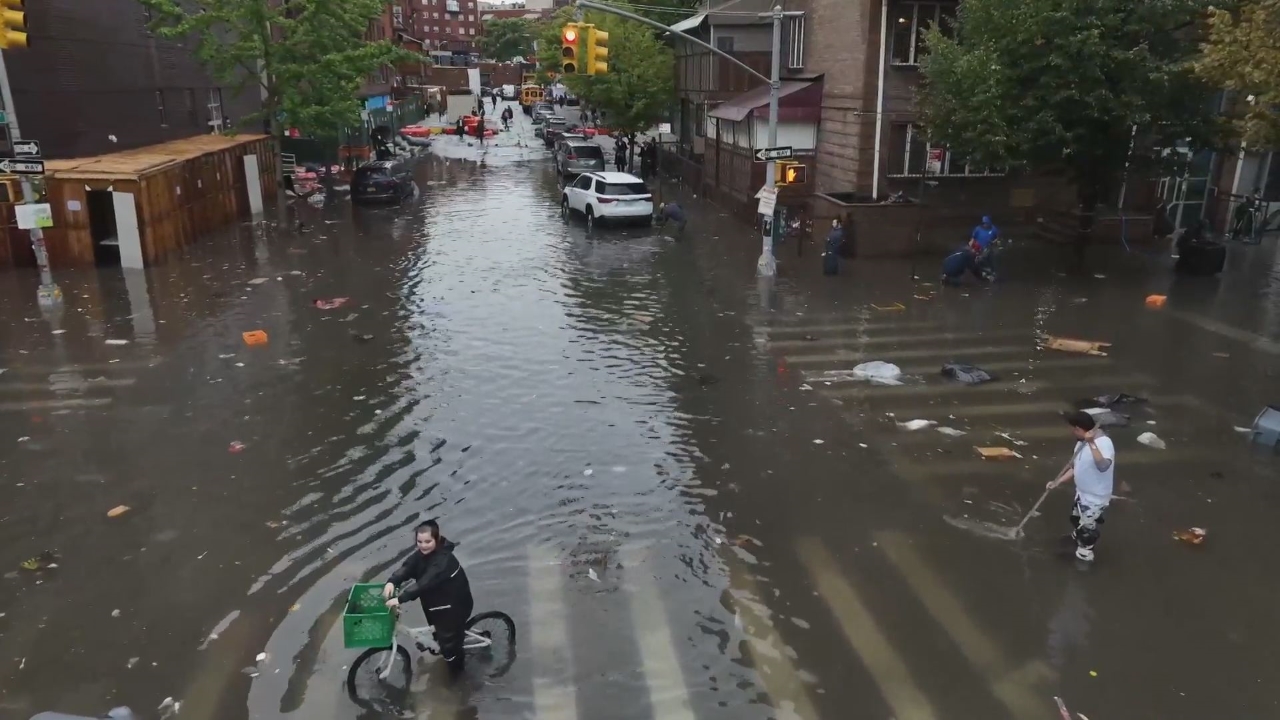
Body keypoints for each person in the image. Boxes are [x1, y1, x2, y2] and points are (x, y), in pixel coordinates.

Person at [383, 520, 474, 677]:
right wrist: (392, 581)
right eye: (419, 542)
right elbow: (407, 567)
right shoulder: (421, 555)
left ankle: (458, 677)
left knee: (450, 648)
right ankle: (439, 642)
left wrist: (401, 598)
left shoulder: (443, 561)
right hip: (435, 605)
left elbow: (425, 583)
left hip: (453, 607)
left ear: (437, 540)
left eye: (428, 541)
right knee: (437, 633)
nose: (423, 545)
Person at [1047, 411, 1116, 563]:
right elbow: (1074, 467)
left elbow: (1103, 466)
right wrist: (1057, 481)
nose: (1072, 431)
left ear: (1080, 428)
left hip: (1095, 496)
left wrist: (1091, 443)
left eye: (1074, 428)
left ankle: (1084, 555)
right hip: (1082, 493)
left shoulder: (1104, 443)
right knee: (1076, 518)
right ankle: (1077, 535)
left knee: (1087, 531)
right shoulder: (1080, 442)